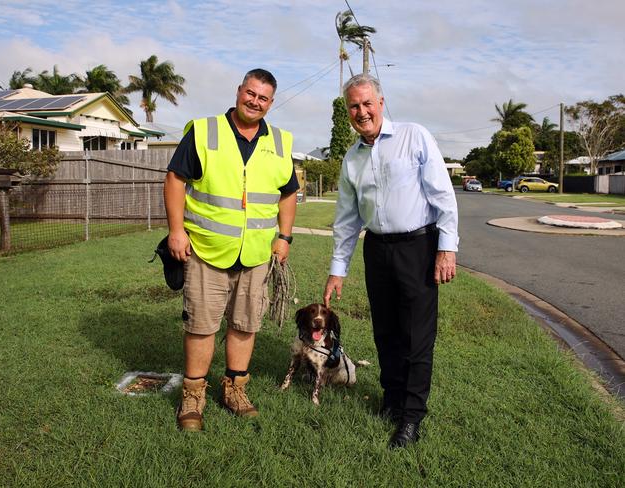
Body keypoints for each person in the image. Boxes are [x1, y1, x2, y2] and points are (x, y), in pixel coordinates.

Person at [323, 74, 458, 448]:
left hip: (418, 247)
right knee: (386, 333)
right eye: (354, 106)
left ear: (381, 102)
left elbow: (443, 196)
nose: (361, 111)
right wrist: (338, 270)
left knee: (416, 337)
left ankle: (411, 418)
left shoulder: (414, 136)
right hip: (377, 250)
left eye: (367, 103)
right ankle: (393, 399)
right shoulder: (352, 158)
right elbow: (348, 219)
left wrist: (446, 249)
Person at [164, 68, 298, 432]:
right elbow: (176, 179)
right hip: (207, 249)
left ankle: (235, 390)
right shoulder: (205, 132)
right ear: (239, 91)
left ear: (271, 103)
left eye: (263, 98)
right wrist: (177, 230)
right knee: (202, 325)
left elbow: (288, 193)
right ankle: (193, 396)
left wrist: (283, 237)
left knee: (245, 323)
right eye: (250, 93)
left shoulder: (281, 142)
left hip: (256, 254)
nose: (255, 102)